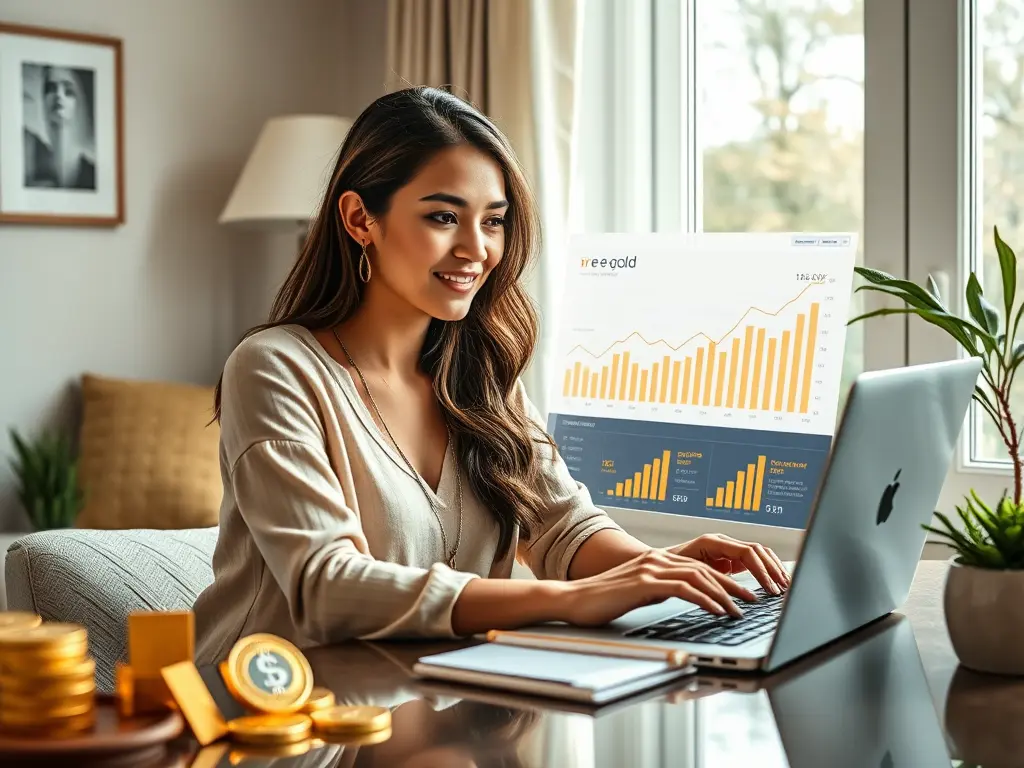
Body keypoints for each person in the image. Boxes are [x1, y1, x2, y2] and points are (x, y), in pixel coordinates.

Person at [191, 86, 790, 665]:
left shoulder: (481, 373)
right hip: (282, 725)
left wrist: (657, 569)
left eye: (494, 221)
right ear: (359, 219)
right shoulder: (275, 369)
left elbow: (560, 526)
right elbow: (328, 587)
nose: (476, 248)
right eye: (444, 216)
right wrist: (570, 601)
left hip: (443, 704)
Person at [23, 65, 95, 190]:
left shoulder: (92, 173)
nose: (58, 95)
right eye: (51, 89)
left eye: (68, 91)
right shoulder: (30, 163)